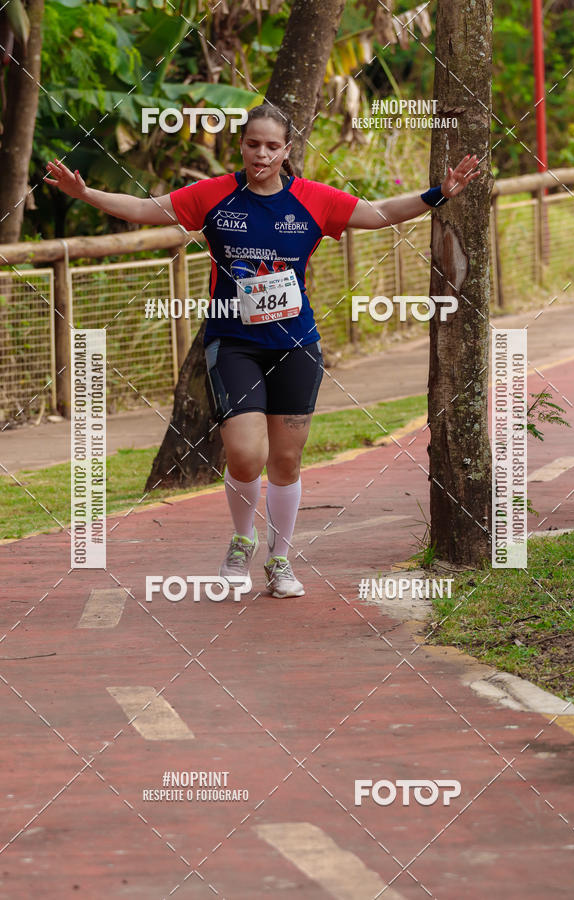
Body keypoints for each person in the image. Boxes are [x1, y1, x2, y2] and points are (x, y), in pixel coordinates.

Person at [44, 104, 480, 598]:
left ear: (287, 151)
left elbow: (378, 214)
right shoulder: (215, 195)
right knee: (246, 456)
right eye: (254, 144)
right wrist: (85, 193)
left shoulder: (313, 200)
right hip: (233, 344)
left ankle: (280, 559)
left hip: (296, 345)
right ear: (243, 145)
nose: (262, 154)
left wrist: (438, 194)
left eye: (273, 146)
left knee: (287, 463)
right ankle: (241, 540)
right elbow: (148, 209)